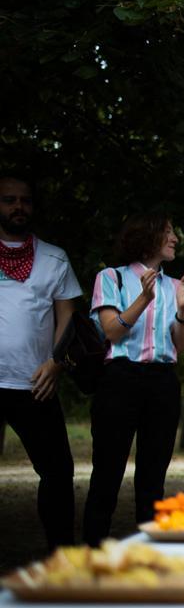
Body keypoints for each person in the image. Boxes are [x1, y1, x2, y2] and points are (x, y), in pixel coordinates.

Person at [83, 213, 184, 545]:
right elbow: (111, 331)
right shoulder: (111, 277)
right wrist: (143, 298)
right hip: (119, 381)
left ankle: (152, 553)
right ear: (148, 236)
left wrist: (181, 311)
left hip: (162, 383)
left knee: (154, 478)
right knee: (107, 472)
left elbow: (181, 345)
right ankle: (94, 553)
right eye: (168, 232)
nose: (175, 239)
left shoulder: (177, 286)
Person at [0, 175, 80, 549]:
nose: (18, 207)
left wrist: (57, 362)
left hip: (36, 383)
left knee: (58, 473)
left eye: (25, 200)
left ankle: (61, 558)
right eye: (9, 200)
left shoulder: (55, 257)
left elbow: (68, 317)